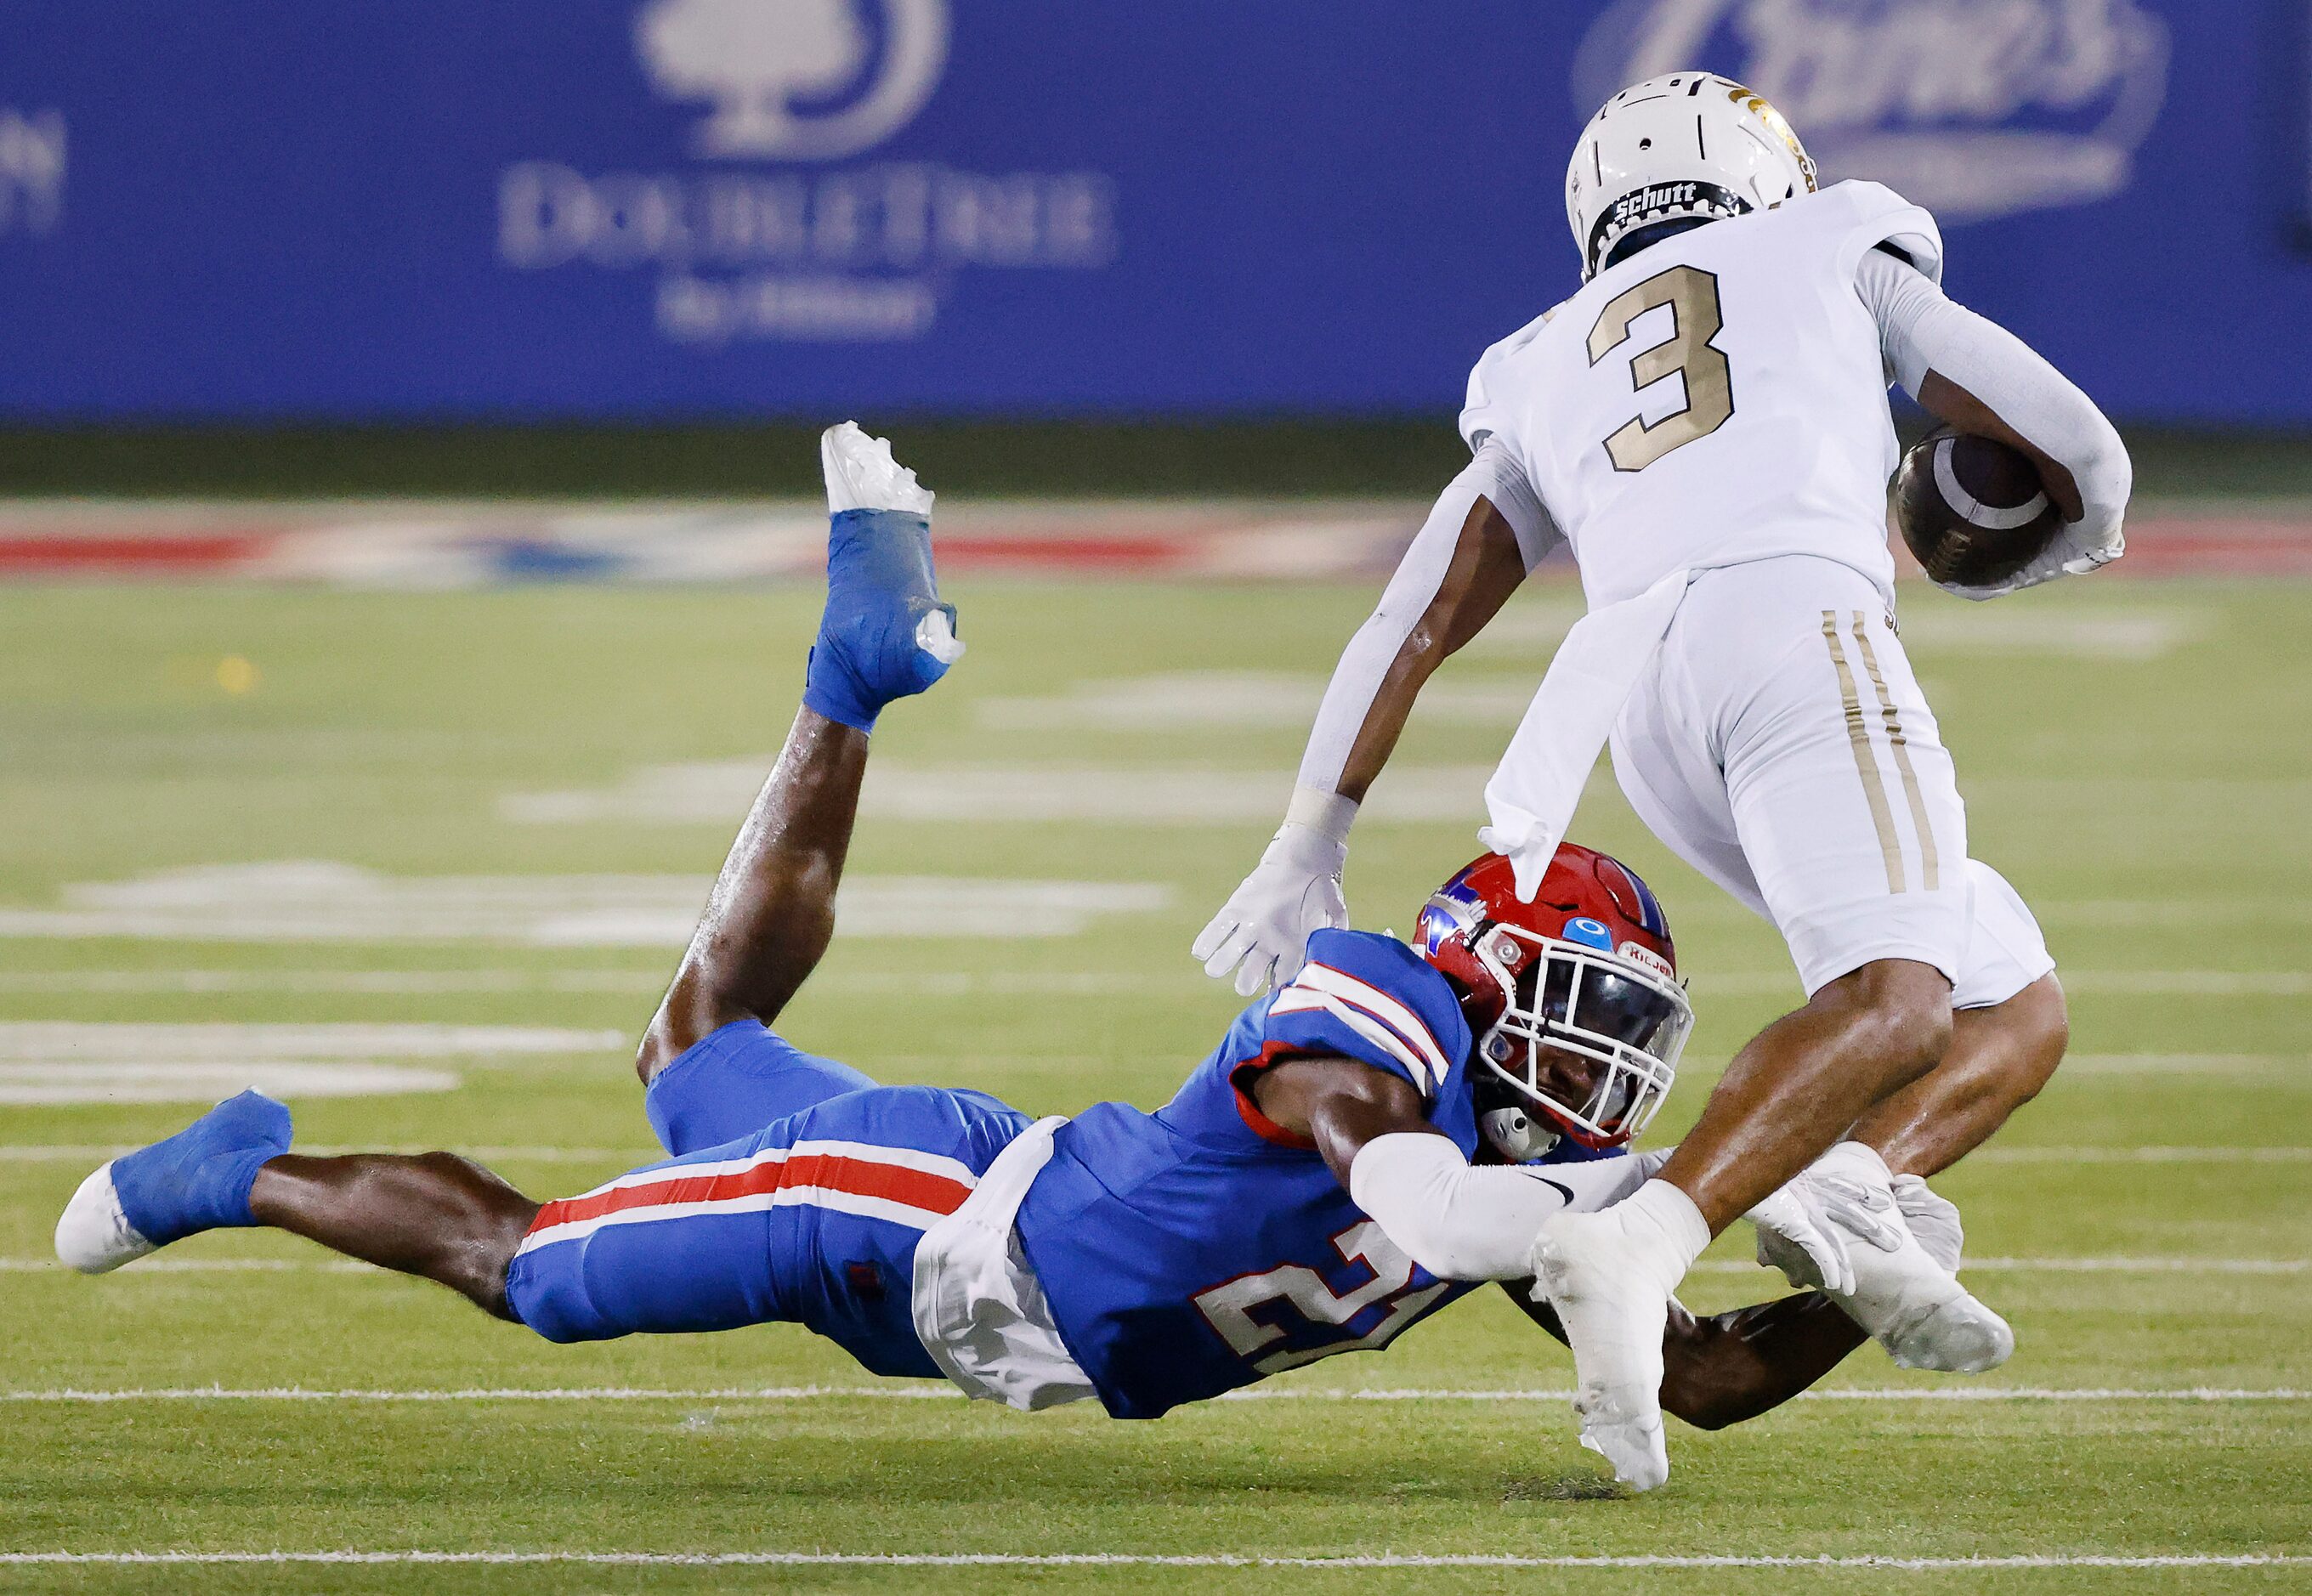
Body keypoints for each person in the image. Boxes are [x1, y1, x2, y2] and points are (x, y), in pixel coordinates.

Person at [60, 426, 1913, 1456]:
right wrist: (1633, 1208)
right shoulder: (1386, 1017)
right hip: (921, 1227)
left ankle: (849, 675)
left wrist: (1867, 1284)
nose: (1608, 1069)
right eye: (1585, 1016)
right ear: (1481, 979)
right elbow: (1418, 1205)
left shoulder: (1550, 1164)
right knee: (547, 1268)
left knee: (696, 1048)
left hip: (986, 1259)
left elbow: (1700, 1377)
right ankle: (241, 1176)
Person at [1194, 73, 2123, 1489]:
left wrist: (1309, 832)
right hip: (1797, 628)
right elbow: (2080, 448)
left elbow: (1414, 618)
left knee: (2014, 1002)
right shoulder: (1829, 244)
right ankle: (1651, 1230)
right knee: (1900, 998)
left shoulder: (1543, 350)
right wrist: (2052, 547)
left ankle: (1852, 1178)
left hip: (1638, 699)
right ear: (1768, 171)